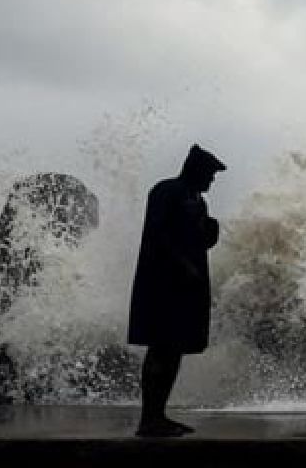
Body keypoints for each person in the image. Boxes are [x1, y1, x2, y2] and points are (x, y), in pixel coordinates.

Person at [127, 144, 226, 437]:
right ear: (195, 169)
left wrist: (211, 231)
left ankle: (159, 415)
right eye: (210, 174)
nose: (212, 180)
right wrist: (182, 264)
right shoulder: (166, 191)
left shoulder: (197, 199)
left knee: (173, 350)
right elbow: (157, 233)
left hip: (187, 286)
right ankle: (149, 419)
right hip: (162, 284)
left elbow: (199, 241)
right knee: (160, 347)